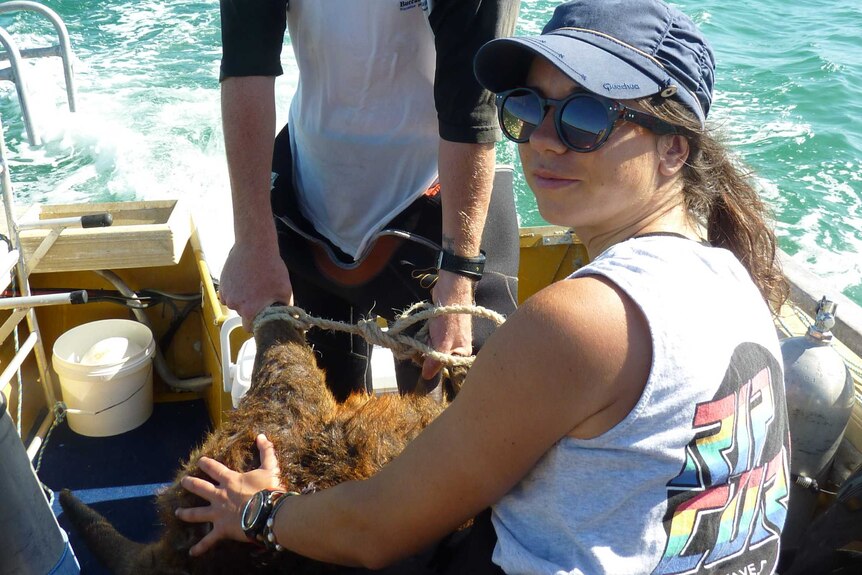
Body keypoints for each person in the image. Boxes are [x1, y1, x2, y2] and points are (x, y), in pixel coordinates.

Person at [178, 1, 792, 572]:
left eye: (588, 117)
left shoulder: (580, 322)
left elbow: (374, 531)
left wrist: (255, 511)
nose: (545, 139)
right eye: (528, 107)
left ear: (674, 150)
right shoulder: (738, 282)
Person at [216, 0, 522, 401]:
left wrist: (459, 278)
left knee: (468, 426)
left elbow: (471, 112)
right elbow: (245, 66)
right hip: (311, 203)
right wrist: (253, 243)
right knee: (316, 433)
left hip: (436, 209)